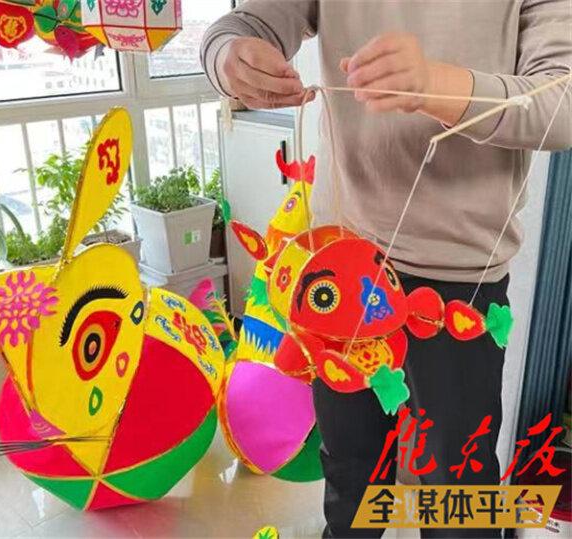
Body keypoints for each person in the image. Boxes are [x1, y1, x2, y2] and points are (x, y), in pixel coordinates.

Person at [200, 1, 572, 537]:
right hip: (341, 268)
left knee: (457, 493)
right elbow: (249, 23)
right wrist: (229, 56)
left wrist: (436, 85)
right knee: (351, 477)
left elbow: (562, 102)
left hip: (461, 279)